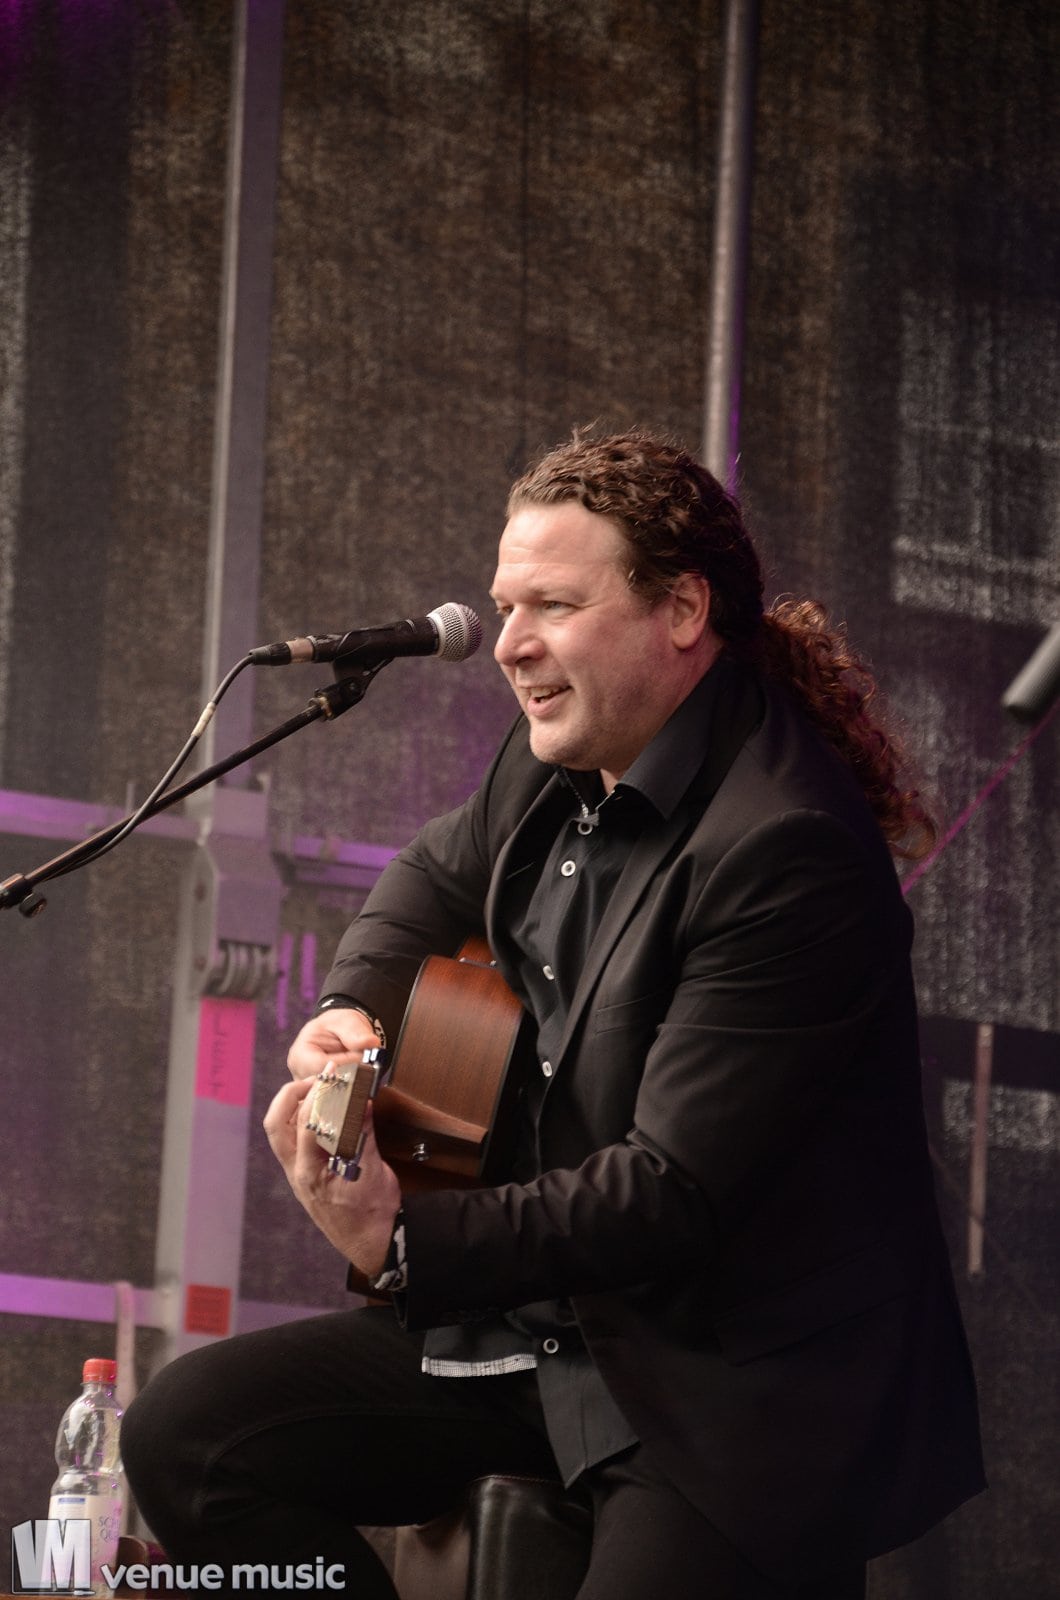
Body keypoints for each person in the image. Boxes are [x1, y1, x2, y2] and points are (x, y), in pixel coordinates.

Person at [122, 429, 984, 1599]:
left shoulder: (788, 850)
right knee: (188, 1438)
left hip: (724, 1384)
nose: (508, 643)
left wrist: (405, 1237)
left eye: (554, 606)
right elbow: (428, 878)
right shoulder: (559, 750)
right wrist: (346, 1009)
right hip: (547, 1325)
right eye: (504, 606)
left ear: (682, 609)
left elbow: (669, 1194)